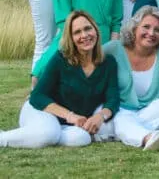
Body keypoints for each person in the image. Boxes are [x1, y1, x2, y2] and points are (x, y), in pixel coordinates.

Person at [0, 11, 118, 148]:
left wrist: (101, 116)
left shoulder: (108, 62)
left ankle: (40, 134)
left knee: (82, 138)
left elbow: (113, 98)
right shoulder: (60, 59)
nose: (84, 35)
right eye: (77, 32)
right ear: (71, 38)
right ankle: (4, 138)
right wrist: (70, 116)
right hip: (41, 109)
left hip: (68, 124)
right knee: (49, 133)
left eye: (87, 28)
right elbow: (37, 96)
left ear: (96, 30)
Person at [104, 7, 159, 150]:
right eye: (146, 27)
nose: (151, 33)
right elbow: (89, 63)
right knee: (120, 116)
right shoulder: (114, 48)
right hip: (117, 110)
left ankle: (126, 131)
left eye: (157, 30)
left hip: (148, 112)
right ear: (134, 28)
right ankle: (148, 136)